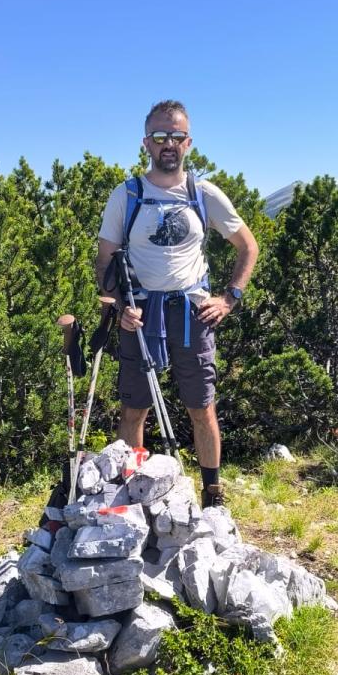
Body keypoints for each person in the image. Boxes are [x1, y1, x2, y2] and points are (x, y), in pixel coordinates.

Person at [95, 99, 259, 508]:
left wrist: (229, 298)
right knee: (134, 409)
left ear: (188, 142)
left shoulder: (203, 194)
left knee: (202, 406)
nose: (168, 143)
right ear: (146, 143)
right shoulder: (127, 194)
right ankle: (133, 496)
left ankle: (213, 496)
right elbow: (105, 260)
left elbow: (248, 246)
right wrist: (119, 306)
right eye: (159, 136)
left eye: (176, 136)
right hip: (140, 313)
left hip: (192, 313)